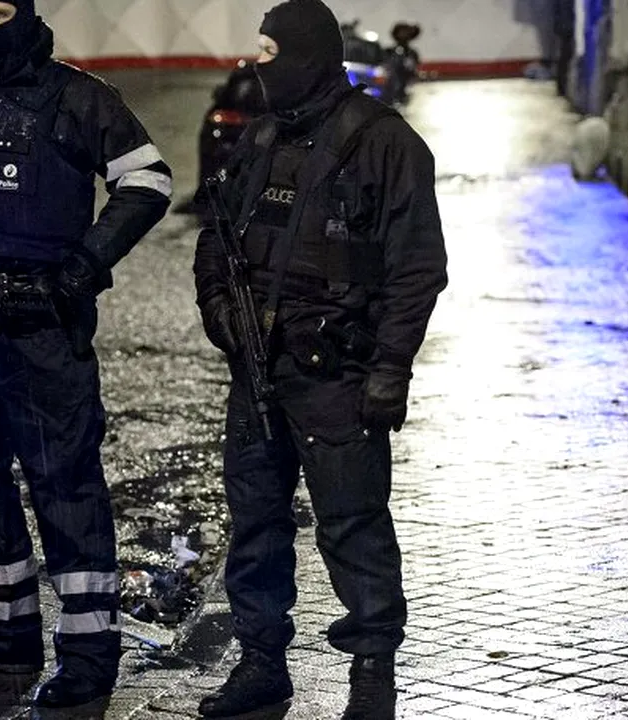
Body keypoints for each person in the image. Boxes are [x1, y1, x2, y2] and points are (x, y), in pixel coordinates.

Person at [0, 0, 172, 708]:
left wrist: (81, 268)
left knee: (66, 482)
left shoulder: (78, 97)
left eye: (0, 11)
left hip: (43, 332)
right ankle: (2, 637)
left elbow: (148, 180)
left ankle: (89, 652)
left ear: (24, 14)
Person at [192, 0, 448, 717]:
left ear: (307, 55)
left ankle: (372, 679)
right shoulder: (261, 138)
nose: (258, 65)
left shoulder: (383, 143)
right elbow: (216, 237)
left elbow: (417, 269)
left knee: (353, 526)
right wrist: (219, 311)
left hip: (338, 375)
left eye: (270, 52)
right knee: (255, 524)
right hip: (257, 372)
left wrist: (391, 369)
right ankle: (260, 663)